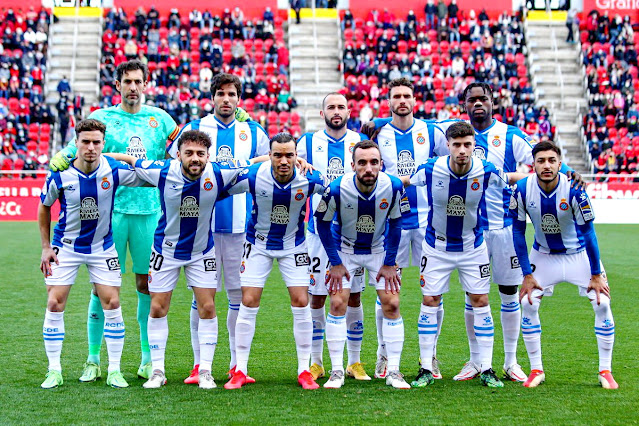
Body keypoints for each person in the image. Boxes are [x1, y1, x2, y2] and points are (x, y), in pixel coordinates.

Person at [49, 60, 181, 381]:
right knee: (102, 289)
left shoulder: (160, 119)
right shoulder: (103, 117)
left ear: (146, 84)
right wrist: (64, 155)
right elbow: (77, 145)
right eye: (128, 81)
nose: (133, 87)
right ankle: (94, 358)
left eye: (138, 81)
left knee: (146, 284)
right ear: (118, 85)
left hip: (151, 212)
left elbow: (184, 146)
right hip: (111, 215)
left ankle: (148, 358)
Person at [108, 130, 255, 389]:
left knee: (207, 307)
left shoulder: (219, 172)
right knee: (157, 307)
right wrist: (85, 156)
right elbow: (129, 160)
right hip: (166, 251)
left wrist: (294, 160)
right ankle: (157, 371)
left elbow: (256, 163)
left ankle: (206, 372)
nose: (195, 158)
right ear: (178, 155)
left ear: (209, 156)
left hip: (201, 252)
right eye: (189, 153)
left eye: (200, 154)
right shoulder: (163, 171)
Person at [401, 121, 525, 388]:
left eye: (467, 145)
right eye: (456, 145)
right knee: (430, 299)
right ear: (448, 145)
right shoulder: (431, 169)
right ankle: (425, 367)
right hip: (437, 247)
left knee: (480, 300)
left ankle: (487, 368)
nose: (462, 150)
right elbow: (405, 181)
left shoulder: (486, 170)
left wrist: (556, 173)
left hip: (473, 247)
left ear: (474, 146)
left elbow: (512, 180)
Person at [168, 73, 270, 384]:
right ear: (212, 97)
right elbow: (176, 167)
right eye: (221, 93)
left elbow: (263, 169)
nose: (226, 99)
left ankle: (238, 365)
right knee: (202, 298)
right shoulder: (194, 129)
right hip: (203, 229)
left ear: (239, 99)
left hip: (241, 226)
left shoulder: (253, 131)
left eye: (231, 94)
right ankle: (199, 364)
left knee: (238, 296)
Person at [38, 119, 144, 389]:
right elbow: (44, 207)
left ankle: (114, 370)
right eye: (85, 141)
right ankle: (54, 370)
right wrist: (45, 247)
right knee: (55, 303)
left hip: (102, 248)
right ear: (76, 143)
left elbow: (138, 167)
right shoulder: (60, 175)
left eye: (96, 142)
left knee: (112, 303)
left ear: (103, 144)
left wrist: (121, 157)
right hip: (66, 247)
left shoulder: (113, 170)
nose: (91, 147)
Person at [223, 132, 326, 390]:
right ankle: (241, 370)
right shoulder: (254, 175)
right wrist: (254, 161)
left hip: (294, 246)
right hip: (258, 244)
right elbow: (221, 185)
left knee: (302, 300)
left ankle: (304, 370)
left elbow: (336, 190)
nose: (283, 161)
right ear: (269, 155)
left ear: (297, 156)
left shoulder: (309, 179)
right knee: (248, 300)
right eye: (277, 155)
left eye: (289, 155)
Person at [511, 142, 617, 389]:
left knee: (603, 303)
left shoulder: (575, 190)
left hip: (578, 254)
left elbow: (589, 233)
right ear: (533, 164)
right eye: (540, 161)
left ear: (560, 164)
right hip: (543, 254)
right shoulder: (522, 189)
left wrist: (595, 274)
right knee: (527, 302)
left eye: (551, 160)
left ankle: (606, 370)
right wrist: (526, 274)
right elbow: (517, 233)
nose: (546, 165)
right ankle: (536, 369)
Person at [370, 77, 448, 379]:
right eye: (396, 96)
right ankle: (384, 354)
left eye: (407, 95)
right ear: (388, 101)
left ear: (414, 100)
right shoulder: (380, 132)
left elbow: (451, 157)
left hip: (429, 220)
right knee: (387, 292)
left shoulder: (431, 132)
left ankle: (430, 356)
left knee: (434, 292)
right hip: (393, 220)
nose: (402, 101)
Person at [316, 140, 409, 389]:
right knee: (337, 302)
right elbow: (322, 223)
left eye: (374, 162)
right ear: (352, 165)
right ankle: (337, 371)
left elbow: (397, 223)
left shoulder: (394, 186)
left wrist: (390, 263)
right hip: (345, 249)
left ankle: (395, 371)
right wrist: (335, 262)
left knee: (392, 303)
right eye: (362, 163)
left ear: (381, 164)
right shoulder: (336, 189)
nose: (368, 168)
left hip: (378, 248)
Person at [296, 93, 369, 382]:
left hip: (353, 235)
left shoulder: (358, 141)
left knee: (353, 296)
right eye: (331, 107)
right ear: (322, 111)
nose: (336, 112)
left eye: (341, 107)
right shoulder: (308, 143)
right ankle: (317, 362)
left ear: (348, 111)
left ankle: (355, 362)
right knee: (317, 297)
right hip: (317, 232)